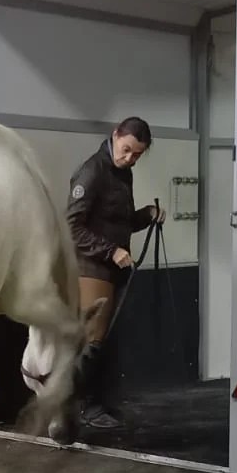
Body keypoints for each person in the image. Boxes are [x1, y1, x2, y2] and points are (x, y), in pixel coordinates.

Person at [63, 116, 165, 431]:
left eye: (136, 154)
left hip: (113, 269)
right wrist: (111, 251)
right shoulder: (92, 171)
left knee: (105, 340)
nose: (130, 158)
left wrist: (148, 215)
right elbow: (72, 226)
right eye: (127, 150)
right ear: (115, 135)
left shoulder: (122, 173)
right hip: (91, 268)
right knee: (92, 342)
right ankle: (81, 407)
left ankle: (99, 403)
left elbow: (118, 222)